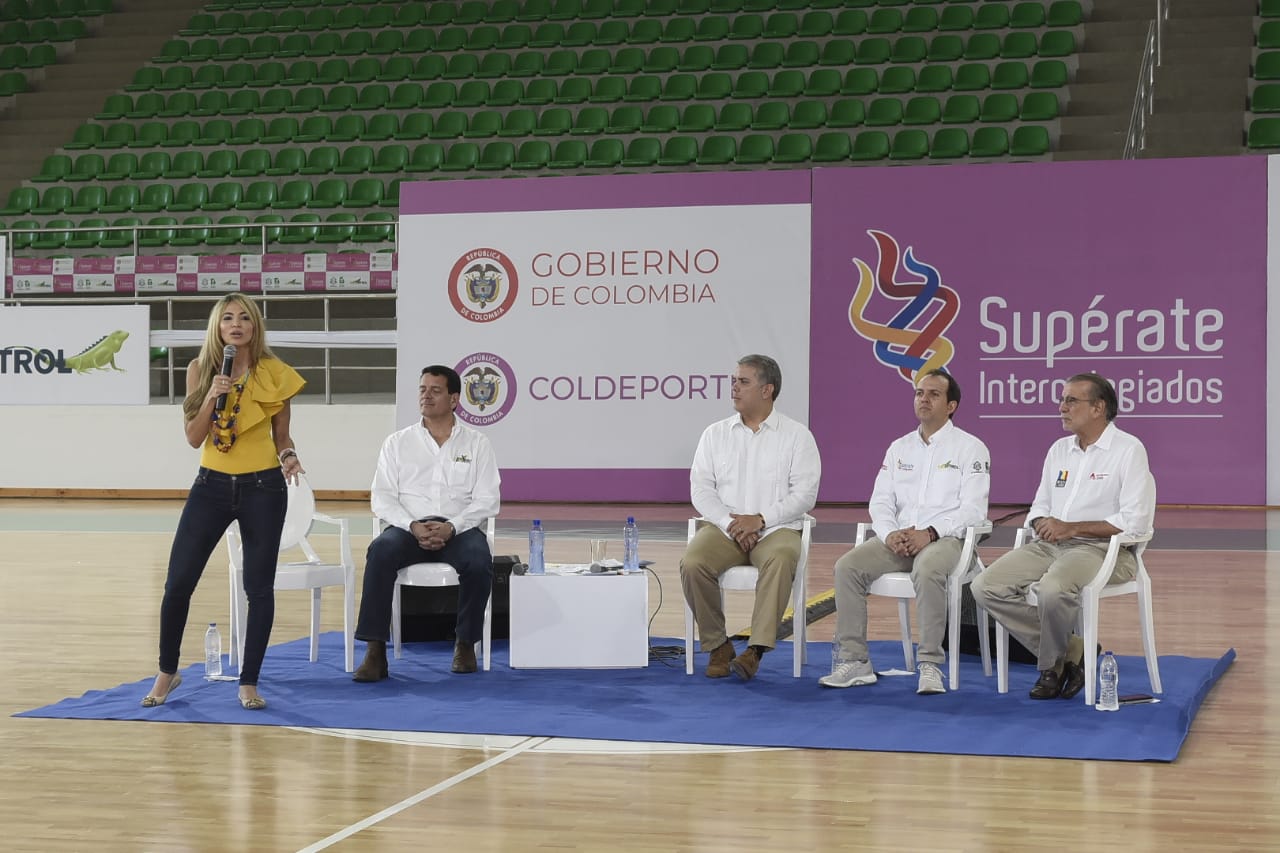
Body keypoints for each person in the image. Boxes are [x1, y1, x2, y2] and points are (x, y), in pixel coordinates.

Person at [143, 294, 306, 711]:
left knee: (259, 587)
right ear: (217, 327)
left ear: (255, 327)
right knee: (178, 582)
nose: (236, 324)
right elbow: (194, 437)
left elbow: (281, 437)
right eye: (228, 318)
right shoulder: (200, 369)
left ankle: (248, 681)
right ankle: (167, 671)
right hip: (210, 486)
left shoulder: (276, 373)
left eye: (245, 318)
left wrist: (288, 457)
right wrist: (213, 391)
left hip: (263, 488)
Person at [971, 373, 1155, 700]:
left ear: (1098, 407)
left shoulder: (1129, 450)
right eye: (1062, 399)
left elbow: (1134, 522)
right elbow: (1040, 505)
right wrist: (1041, 521)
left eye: (1071, 400)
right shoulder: (1059, 450)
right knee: (984, 586)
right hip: (1050, 544)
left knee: (1053, 590)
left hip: (1103, 550)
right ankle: (1072, 651)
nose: (1062, 407)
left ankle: (1049, 669)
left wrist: (1071, 528)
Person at [820, 369, 990, 695]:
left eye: (933, 394)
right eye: (919, 393)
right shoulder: (899, 448)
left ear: (951, 405)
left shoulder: (971, 448)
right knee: (847, 567)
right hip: (900, 539)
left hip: (947, 541)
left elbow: (973, 511)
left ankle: (929, 665)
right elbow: (880, 502)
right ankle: (855, 661)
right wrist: (889, 534)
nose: (923, 399)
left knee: (927, 569)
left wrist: (930, 532)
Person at [352, 365, 500, 682]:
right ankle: (375, 650)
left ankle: (465, 643)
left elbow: (487, 500)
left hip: (458, 529)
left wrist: (453, 527)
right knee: (380, 552)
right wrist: (412, 526)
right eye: (422, 389)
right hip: (409, 529)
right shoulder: (397, 443)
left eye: (435, 390)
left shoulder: (477, 443)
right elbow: (382, 498)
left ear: (454, 399)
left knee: (478, 559)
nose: (426, 396)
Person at [681, 354, 821, 682]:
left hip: (776, 528)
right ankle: (718, 645)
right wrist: (732, 524)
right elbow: (701, 490)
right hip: (724, 528)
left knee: (783, 556)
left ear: (767, 390)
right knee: (692, 562)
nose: (734, 387)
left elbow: (804, 495)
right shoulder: (714, 434)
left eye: (743, 381)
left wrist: (759, 519)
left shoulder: (797, 436)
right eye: (734, 380)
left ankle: (755, 650)